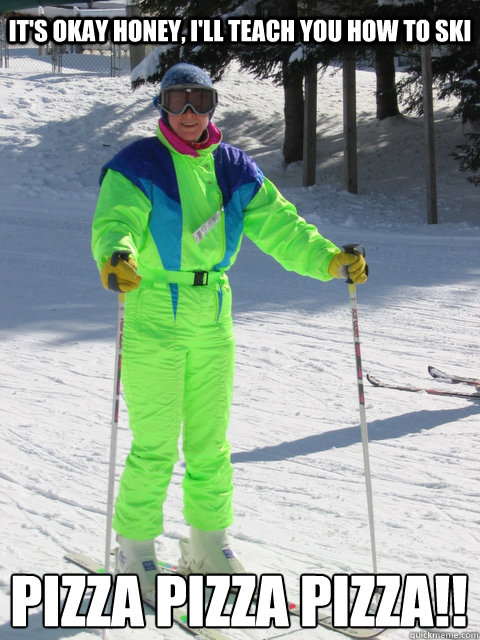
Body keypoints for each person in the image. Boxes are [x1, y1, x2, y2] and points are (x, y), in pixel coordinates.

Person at [91, 62, 367, 597]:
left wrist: (331, 259)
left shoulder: (235, 168)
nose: (190, 114)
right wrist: (116, 256)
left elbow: (283, 227)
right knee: (155, 443)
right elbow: (115, 221)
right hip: (153, 311)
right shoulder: (137, 165)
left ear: (213, 106)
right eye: (179, 102)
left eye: (200, 101)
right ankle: (135, 549)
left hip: (213, 311)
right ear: (162, 107)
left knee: (210, 441)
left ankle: (208, 543)